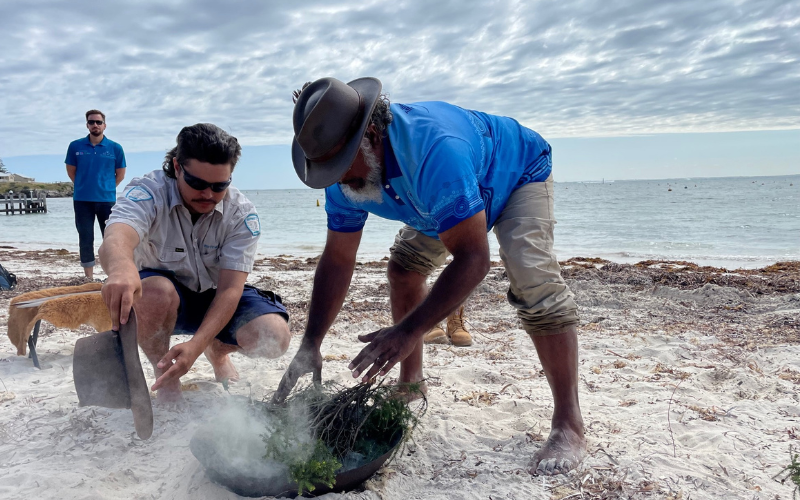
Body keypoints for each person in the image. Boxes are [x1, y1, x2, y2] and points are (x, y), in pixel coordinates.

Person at [274, 77, 585, 476]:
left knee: (533, 281)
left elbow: (473, 258)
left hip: (516, 172)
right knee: (404, 269)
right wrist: (311, 343)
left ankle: (568, 423)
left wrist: (406, 332)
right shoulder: (340, 177)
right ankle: (411, 385)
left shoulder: (434, 153)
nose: (335, 179)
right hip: (442, 198)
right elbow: (337, 259)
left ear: (369, 135)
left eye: (339, 166)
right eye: (325, 169)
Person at [99, 123, 291, 403]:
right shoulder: (149, 191)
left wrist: (197, 346)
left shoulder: (242, 214)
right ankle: (163, 374)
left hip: (217, 295)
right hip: (163, 300)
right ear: (177, 167)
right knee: (154, 292)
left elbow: (229, 290)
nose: (208, 195)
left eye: (219, 186)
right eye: (197, 183)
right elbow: (117, 235)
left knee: (275, 337)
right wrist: (121, 269)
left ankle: (218, 350)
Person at [65, 110, 127, 280]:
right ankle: (89, 278)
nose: (95, 125)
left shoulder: (115, 148)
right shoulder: (75, 146)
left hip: (106, 201)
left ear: (104, 125)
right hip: (82, 200)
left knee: (110, 239)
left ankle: (113, 274)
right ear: (87, 125)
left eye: (98, 122)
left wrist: (107, 188)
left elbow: (120, 174)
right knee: (85, 238)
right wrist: (84, 186)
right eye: (92, 122)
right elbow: (72, 172)